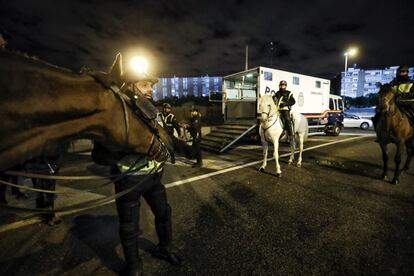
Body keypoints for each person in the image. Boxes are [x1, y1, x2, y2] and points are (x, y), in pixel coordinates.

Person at [92, 76, 183, 276]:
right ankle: (134, 266)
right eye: (144, 84)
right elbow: (100, 153)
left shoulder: (152, 111)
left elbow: (162, 138)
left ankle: (165, 247)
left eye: (151, 85)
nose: (150, 88)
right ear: (131, 86)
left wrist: (165, 149)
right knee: (129, 225)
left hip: (154, 176)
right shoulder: (117, 112)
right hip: (129, 179)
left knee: (164, 213)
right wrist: (140, 150)